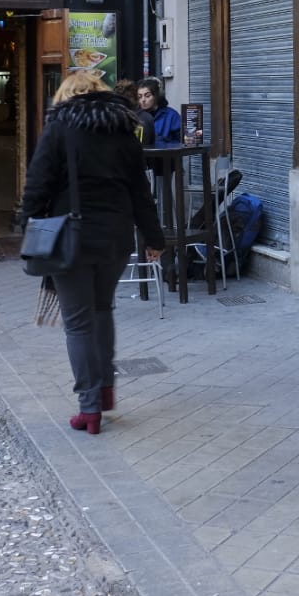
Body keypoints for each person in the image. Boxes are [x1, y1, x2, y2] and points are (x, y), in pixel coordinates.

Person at [19, 70, 164, 435]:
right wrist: (154, 237)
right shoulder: (125, 133)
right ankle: (106, 391)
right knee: (102, 311)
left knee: (78, 323)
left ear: (65, 98)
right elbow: (140, 191)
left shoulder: (59, 129)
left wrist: (26, 224)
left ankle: (90, 407)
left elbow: (37, 184)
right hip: (115, 238)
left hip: (72, 239)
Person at [135, 77, 183, 146]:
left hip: (165, 155)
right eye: (139, 97)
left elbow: (181, 142)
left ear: (156, 96)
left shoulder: (171, 115)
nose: (143, 100)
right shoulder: (135, 115)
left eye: (147, 96)